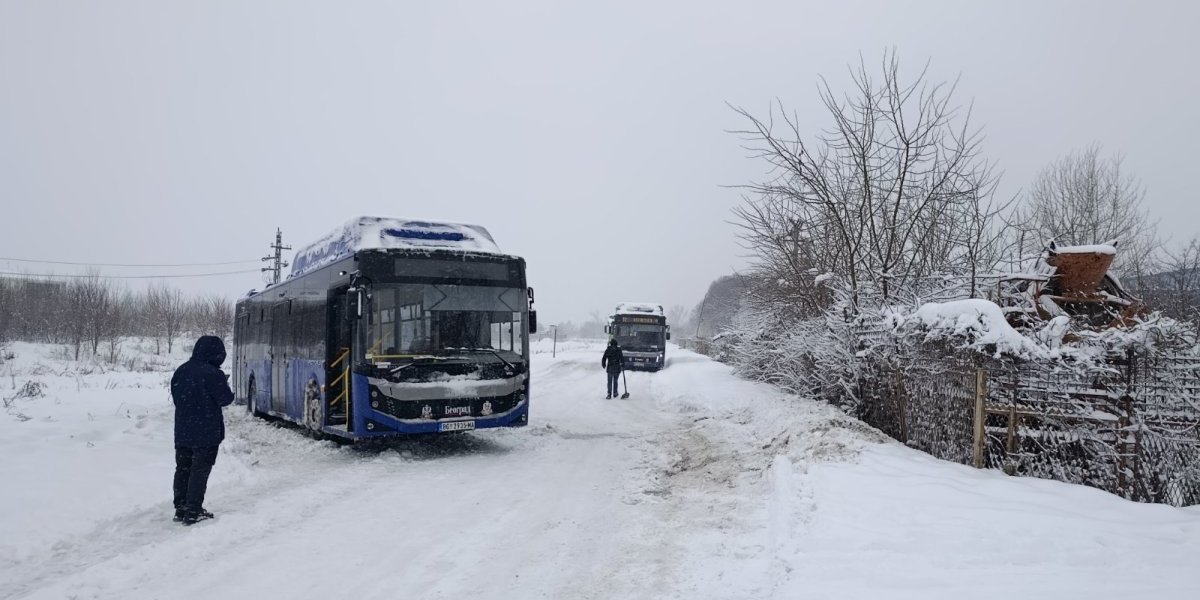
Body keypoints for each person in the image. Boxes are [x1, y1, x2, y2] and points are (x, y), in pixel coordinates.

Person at [171, 335, 235, 525]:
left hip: (182, 431)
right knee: (200, 470)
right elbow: (225, 399)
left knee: (182, 469)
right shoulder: (212, 373)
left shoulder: (181, 370)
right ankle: (193, 510)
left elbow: (176, 397)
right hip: (206, 432)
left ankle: (180, 508)